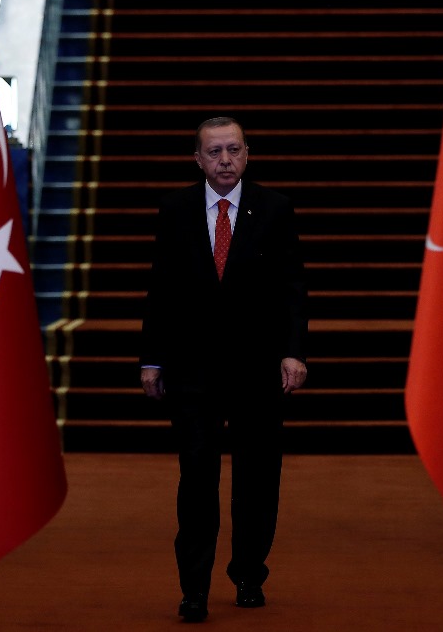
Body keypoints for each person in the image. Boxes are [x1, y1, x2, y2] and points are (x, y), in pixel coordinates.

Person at [140, 116, 309, 622]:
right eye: (214, 152)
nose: (225, 161)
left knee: (257, 480)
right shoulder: (174, 209)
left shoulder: (275, 208)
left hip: (258, 370)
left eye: (233, 150)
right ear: (198, 159)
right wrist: (152, 358)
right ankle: (193, 587)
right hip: (192, 371)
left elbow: (292, 287)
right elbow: (160, 289)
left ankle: (248, 574)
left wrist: (294, 350)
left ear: (247, 153)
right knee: (196, 479)